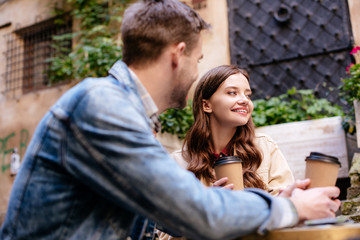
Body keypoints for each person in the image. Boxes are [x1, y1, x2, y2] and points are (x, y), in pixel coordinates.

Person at [0, 1, 341, 240]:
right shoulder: (102, 106)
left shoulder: (123, 109)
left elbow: (160, 218)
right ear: (177, 55)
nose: (197, 72)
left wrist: (271, 201)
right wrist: (290, 209)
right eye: (198, 59)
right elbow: (197, 215)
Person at [172, 65, 294, 196]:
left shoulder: (265, 147)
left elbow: (286, 201)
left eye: (248, 95)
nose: (244, 100)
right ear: (206, 105)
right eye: (232, 92)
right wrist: (209, 203)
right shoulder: (178, 162)